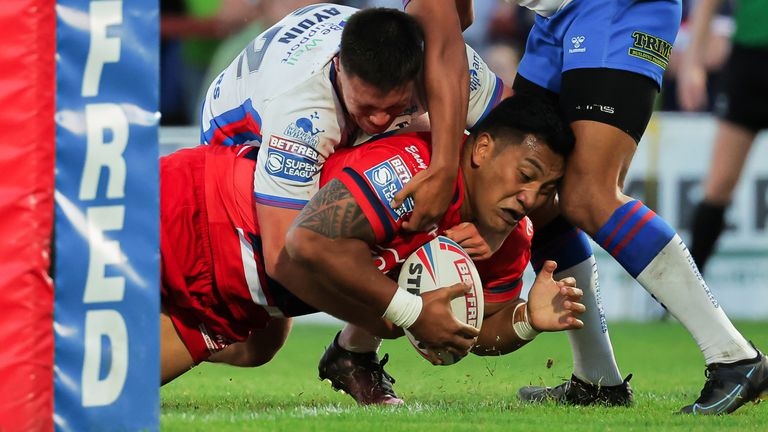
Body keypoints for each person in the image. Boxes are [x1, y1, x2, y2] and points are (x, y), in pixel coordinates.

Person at [402, 0, 767, 415]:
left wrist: (444, 163)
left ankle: (734, 356)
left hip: (615, 7)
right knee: (541, 196)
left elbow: (443, 31)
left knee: (588, 194)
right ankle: (598, 379)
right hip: (554, 18)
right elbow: (457, 19)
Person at [160, 94, 580, 385]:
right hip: (196, 212)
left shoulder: (511, 235)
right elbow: (309, 241)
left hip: (235, 305)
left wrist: (527, 321)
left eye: (547, 190)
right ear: (482, 149)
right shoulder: (414, 166)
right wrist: (410, 312)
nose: (531, 199)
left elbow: (469, 330)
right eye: (526, 176)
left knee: (108, 389)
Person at [677, 0, 768, 276]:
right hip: (749, 61)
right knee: (718, 185)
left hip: (748, 61)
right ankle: (687, 294)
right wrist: (692, 64)